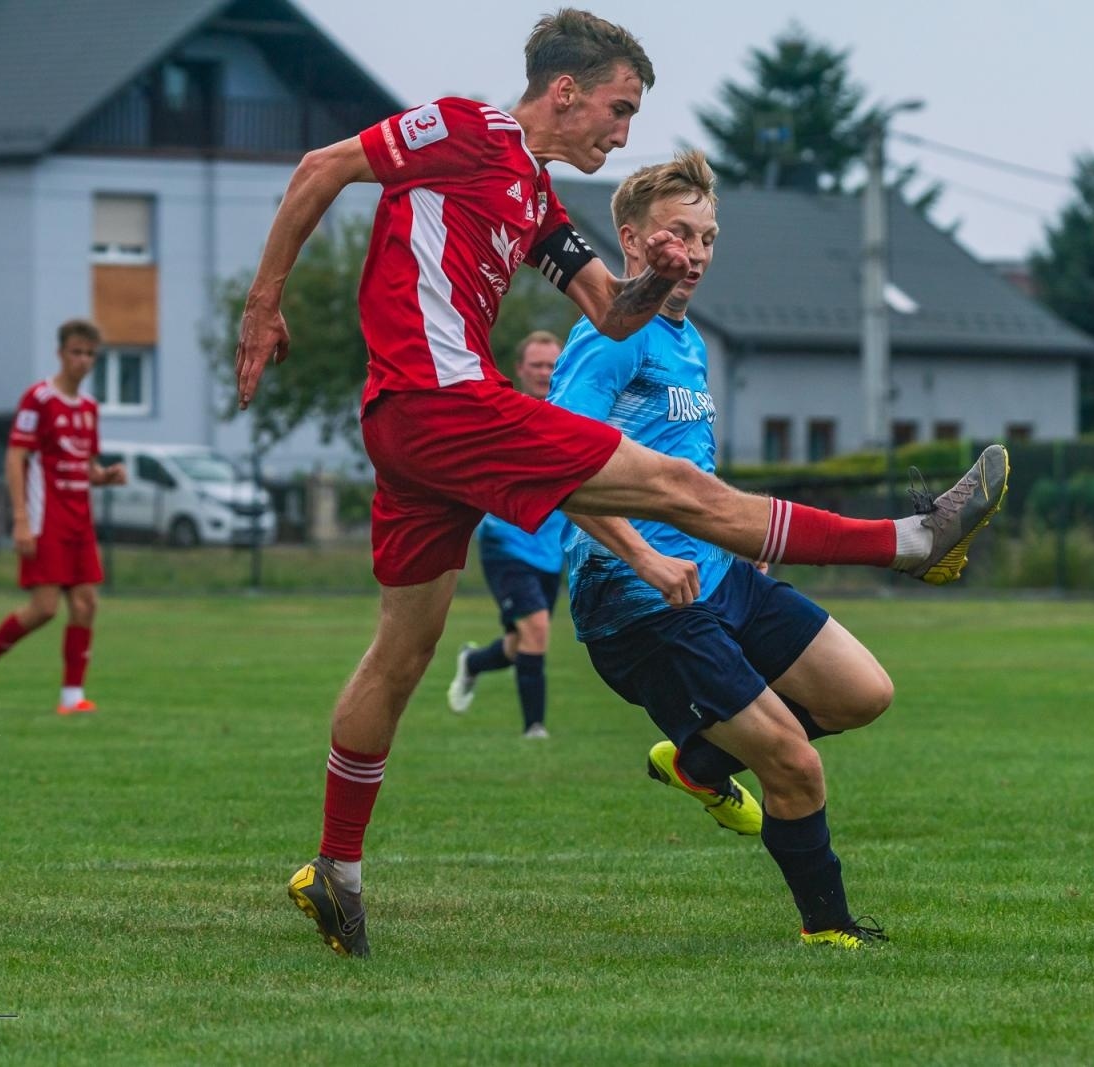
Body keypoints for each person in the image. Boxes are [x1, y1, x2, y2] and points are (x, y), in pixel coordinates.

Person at [241, 9, 1007, 959]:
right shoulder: (469, 128)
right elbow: (321, 167)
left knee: (402, 652)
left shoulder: (534, 197)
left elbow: (610, 310)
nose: (623, 131)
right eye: (620, 107)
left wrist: (657, 272)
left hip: (410, 428)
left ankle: (338, 871)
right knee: (685, 489)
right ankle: (912, 542)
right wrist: (265, 301)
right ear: (565, 91)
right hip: (443, 400)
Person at [550, 150, 1004, 948]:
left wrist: (740, 540)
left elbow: (685, 472)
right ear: (631, 239)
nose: (695, 254)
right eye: (678, 235)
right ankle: (828, 930)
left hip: (720, 574)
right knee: (794, 763)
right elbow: (558, 467)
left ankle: (697, 761)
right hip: (642, 600)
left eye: (707, 238)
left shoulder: (687, 341)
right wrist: (646, 558)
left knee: (862, 692)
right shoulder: (610, 336)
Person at [0, 319, 128, 716]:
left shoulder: (89, 409)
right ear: (60, 353)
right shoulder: (39, 399)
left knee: (86, 604)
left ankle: (72, 698)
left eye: (90, 354)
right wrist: (20, 519)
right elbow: (16, 457)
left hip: (80, 519)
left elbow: (85, 466)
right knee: (45, 607)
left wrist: (105, 477)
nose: (83, 360)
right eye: (76, 352)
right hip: (46, 517)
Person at [448, 331, 565, 739]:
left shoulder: (573, 416)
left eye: (552, 365)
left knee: (522, 642)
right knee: (537, 629)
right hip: (506, 544)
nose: (545, 372)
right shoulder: (504, 415)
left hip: (550, 550)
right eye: (537, 365)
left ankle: (473, 662)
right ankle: (535, 729)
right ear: (520, 369)